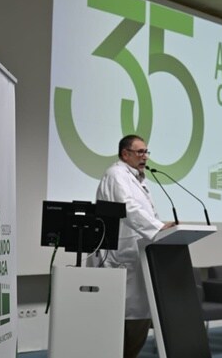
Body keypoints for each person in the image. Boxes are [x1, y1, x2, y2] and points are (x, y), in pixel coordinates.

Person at [89, 134, 176, 358]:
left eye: (146, 152)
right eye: (140, 152)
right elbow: (127, 209)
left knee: (138, 318)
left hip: (138, 256)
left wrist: (160, 227)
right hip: (119, 256)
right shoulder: (116, 174)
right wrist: (158, 227)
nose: (145, 156)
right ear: (125, 153)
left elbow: (144, 213)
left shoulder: (139, 179)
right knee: (122, 321)